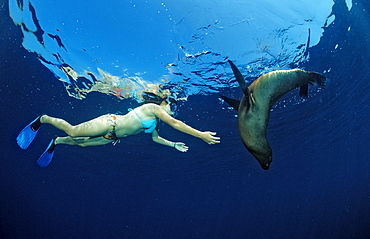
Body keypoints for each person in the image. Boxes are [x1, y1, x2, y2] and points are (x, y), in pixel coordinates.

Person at [16, 91, 221, 167]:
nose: (174, 111)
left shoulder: (155, 122)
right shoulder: (153, 108)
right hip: (109, 122)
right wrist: (200, 135)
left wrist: (173, 144)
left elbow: (155, 139)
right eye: (173, 106)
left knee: (83, 145)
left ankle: (56, 142)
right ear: (164, 103)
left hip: (110, 136)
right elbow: (176, 124)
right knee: (73, 132)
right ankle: (42, 119)